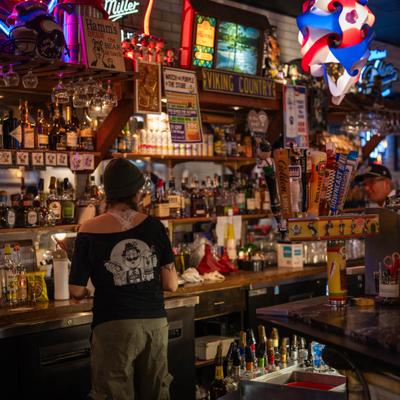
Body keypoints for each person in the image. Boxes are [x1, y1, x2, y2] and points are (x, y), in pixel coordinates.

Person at [69, 158, 178, 400]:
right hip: (153, 323)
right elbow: (171, 284)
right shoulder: (156, 227)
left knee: (113, 394)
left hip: (112, 324)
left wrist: (89, 290)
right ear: (136, 192)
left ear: (108, 193)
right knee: (157, 393)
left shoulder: (87, 229)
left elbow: (76, 290)